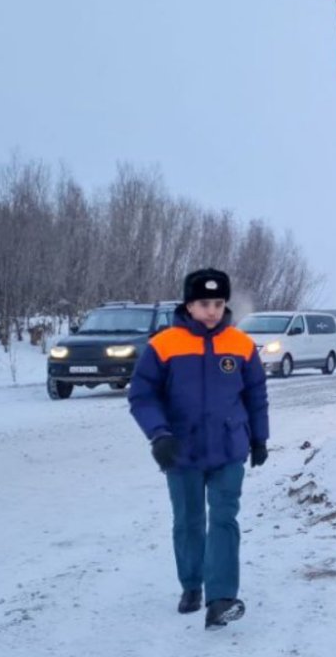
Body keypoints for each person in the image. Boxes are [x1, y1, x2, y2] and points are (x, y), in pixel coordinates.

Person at [128, 268, 269, 630]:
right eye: (204, 303)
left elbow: (255, 395)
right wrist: (158, 434)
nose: (212, 311)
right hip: (181, 449)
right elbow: (142, 396)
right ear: (189, 305)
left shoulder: (239, 345)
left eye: (219, 303)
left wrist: (258, 438)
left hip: (228, 448)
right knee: (189, 521)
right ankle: (191, 584)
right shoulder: (164, 345)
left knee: (224, 518)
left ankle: (221, 598)